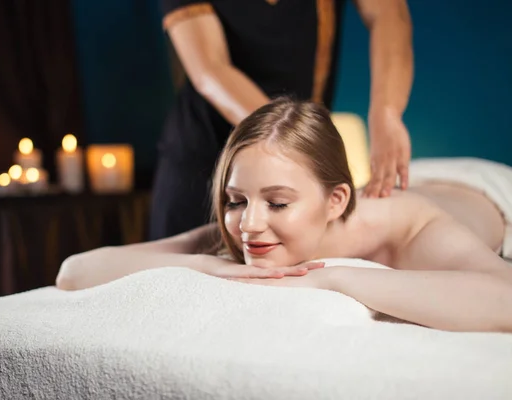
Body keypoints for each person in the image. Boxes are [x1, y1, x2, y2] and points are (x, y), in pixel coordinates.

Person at [57, 98, 512, 333]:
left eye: (277, 203)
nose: (249, 225)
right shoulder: (246, 225)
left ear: (335, 202)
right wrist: (203, 262)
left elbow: (504, 301)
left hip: (484, 188)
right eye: (236, 200)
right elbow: (74, 272)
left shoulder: (410, 227)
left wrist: (334, 277)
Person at [149, 0, 414, 240]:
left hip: (293, 162)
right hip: (203, 159)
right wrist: (292, 143)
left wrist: (387, 113)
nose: (251, 223)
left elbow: (388, 13)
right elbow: (210, 68)